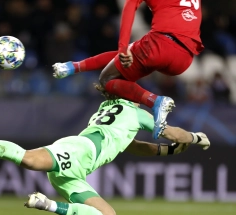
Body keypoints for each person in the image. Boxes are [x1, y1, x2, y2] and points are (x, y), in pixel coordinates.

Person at [0, 88, 210, 215]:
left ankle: (47, 205)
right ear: (130, 97)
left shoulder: (109, 109)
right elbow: (173, 132)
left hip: (75, 172)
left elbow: (134, 146)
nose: (141, 98)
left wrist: (167, 151)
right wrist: (196, 137)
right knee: (30, 159)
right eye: (138, 94)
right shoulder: (134, 112)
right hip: (80, 152)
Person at [53, 0, 203, 139]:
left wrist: (122, 47)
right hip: (185, 58)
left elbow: (130, 6)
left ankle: (155, 101)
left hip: (161, 44)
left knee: (107, 79)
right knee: (129, 53)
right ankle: (73, 66)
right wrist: (197, 139)